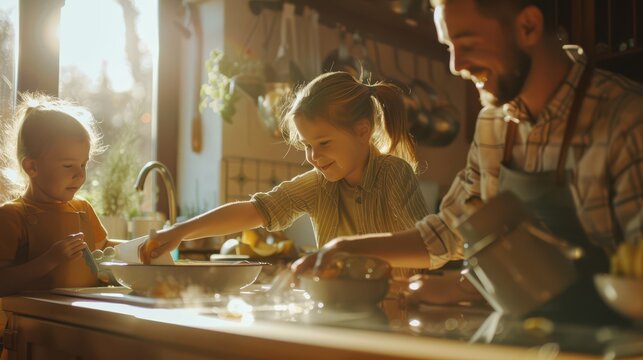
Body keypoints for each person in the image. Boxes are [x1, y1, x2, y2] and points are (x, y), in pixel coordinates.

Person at [293, 0, 643, 318]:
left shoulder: (625, 120)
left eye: (467, 42)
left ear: (529, 28)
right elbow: (449, 230)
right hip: (518, 341)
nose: (456, 65)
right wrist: (345, 249)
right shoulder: (494, 124)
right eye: (449, 47)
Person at [147, 71, 428, 278]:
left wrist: (348, 251)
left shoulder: (393, 173)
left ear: (363, 131)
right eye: (307, 146)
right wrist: (179, 232)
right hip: (338, 315)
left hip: (397, 313)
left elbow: (425, 247)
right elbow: (256, 210)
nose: (313, 157)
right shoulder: (320, 185)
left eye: (324, 143)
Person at [0, 93, 111, 296]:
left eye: (83, 164)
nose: (80, 174)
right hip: (30, 323)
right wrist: (49, 260)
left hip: (83, 314)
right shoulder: (11, 217)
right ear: (32, 167)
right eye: (68, 165)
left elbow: (105, 251)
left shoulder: (83, 209)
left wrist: (142, 249)